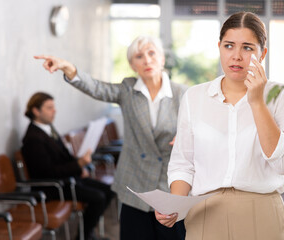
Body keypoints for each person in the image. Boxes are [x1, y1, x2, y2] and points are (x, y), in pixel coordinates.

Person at [155, 11, 284, 240]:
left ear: (262, 53)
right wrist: (175, 203)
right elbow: (183, 163)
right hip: (205, 214)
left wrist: (257, 103)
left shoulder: (280, 96)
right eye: (229, 46)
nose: (236, 56)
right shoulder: (194, 97)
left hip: (261, 212)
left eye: (247, 48)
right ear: (219, 47)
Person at [34, 36, 187, 240]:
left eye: (152, 54)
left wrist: (187, 134)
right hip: (135, 184)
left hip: (169, 185)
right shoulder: (127, 89)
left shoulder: (183, 94)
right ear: (133, 65)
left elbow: (203, 124)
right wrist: (67, 67)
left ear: (162, 59)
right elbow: (96, 88)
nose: (147, 60)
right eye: (139, 56)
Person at [22, 92, 114, 240]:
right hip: (52, 187)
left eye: (54, 107)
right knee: (98, 197)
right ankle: (83, 236)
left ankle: (86, 233)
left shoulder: (48, 129)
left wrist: (80, 168)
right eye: (49, 107)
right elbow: (47, 172)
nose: (54, 111)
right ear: (36, 111)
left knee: (109, 190)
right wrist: (78, 165)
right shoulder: (33, 138)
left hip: (67, 179)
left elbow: (63, 156)